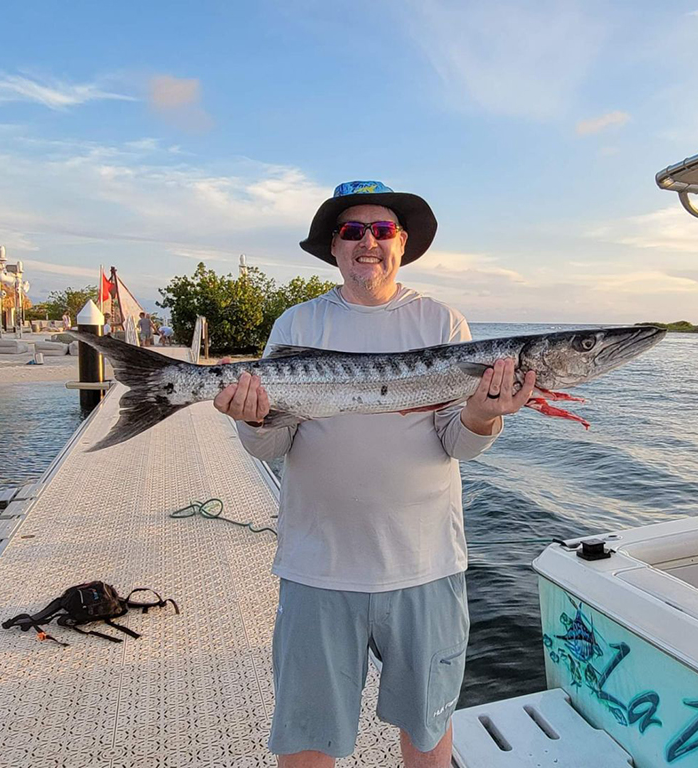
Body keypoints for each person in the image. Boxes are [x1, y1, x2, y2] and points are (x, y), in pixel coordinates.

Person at [213, 181, 535, 768]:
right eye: (352, 231)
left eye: (382, 230)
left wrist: (484, 414)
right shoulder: (297, 324)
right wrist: (251, 419)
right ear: (333, 248)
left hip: (426, 565)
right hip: (318, 566)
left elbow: (456, 445)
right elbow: (272, 444)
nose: (369, 242)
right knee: (307, 736)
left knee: (430, 729)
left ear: (403, 244)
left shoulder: (442, 321)